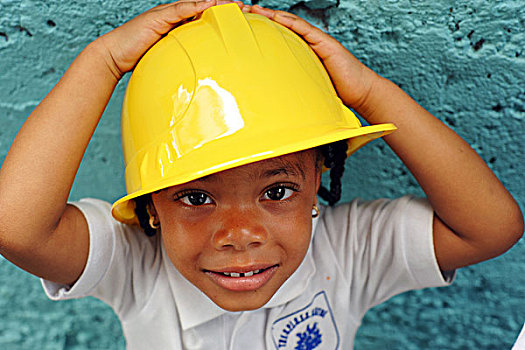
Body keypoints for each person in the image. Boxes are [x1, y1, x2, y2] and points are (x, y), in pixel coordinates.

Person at [0, 1, 522, 348]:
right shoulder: (135, 263)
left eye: (277, 191)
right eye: (196, 198)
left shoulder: (351, 249)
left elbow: (491, 227)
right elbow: (16, 226)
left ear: (319, 180)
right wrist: (103, 61)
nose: (240, 235)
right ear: (151, 205)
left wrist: (367, 93)